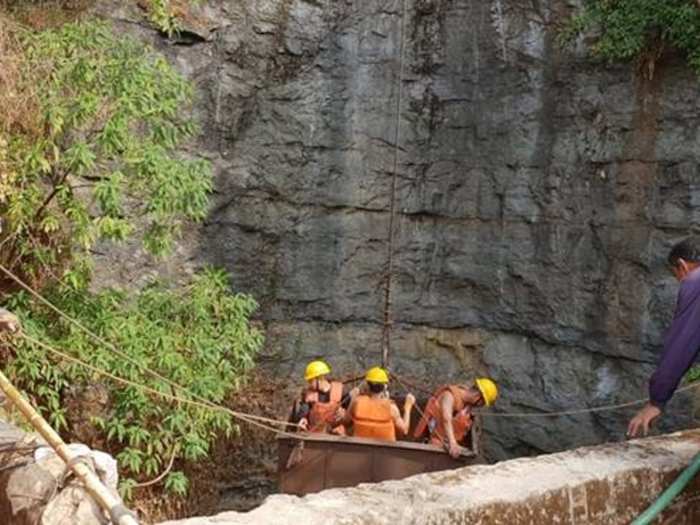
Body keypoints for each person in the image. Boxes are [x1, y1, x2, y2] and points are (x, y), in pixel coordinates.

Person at [628, 237, 700, 437]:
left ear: (682, 266)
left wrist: (656, 401)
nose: (680, 281)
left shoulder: (695, 282)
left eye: (676, 275)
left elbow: (683, 344)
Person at [414, 377, 498, 458]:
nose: (479, 406)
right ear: (478, 396)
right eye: (481, 403)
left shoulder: (466, 402)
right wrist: (452, 443)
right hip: (434, 436)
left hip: (443, 435)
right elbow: (446, 418)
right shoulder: (450, 396)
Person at [341, 366, 415, 441]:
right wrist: (408, 408)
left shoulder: (356, 402)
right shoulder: (391, 408)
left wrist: (353, 398)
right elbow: (404, 430)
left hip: (361, 449)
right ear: (384, 387)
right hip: (385, 450)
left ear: (367, 386)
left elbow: (346, 422)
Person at [290, 360, 356, 434]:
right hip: (315, 436)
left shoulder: (342, 391)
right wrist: (302, 419)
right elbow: (303, 411)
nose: (309, 384)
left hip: (337, 437)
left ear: (320, 378)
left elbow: (352, 413)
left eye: (311, 380)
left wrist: (345, 415)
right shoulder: (308, 395)